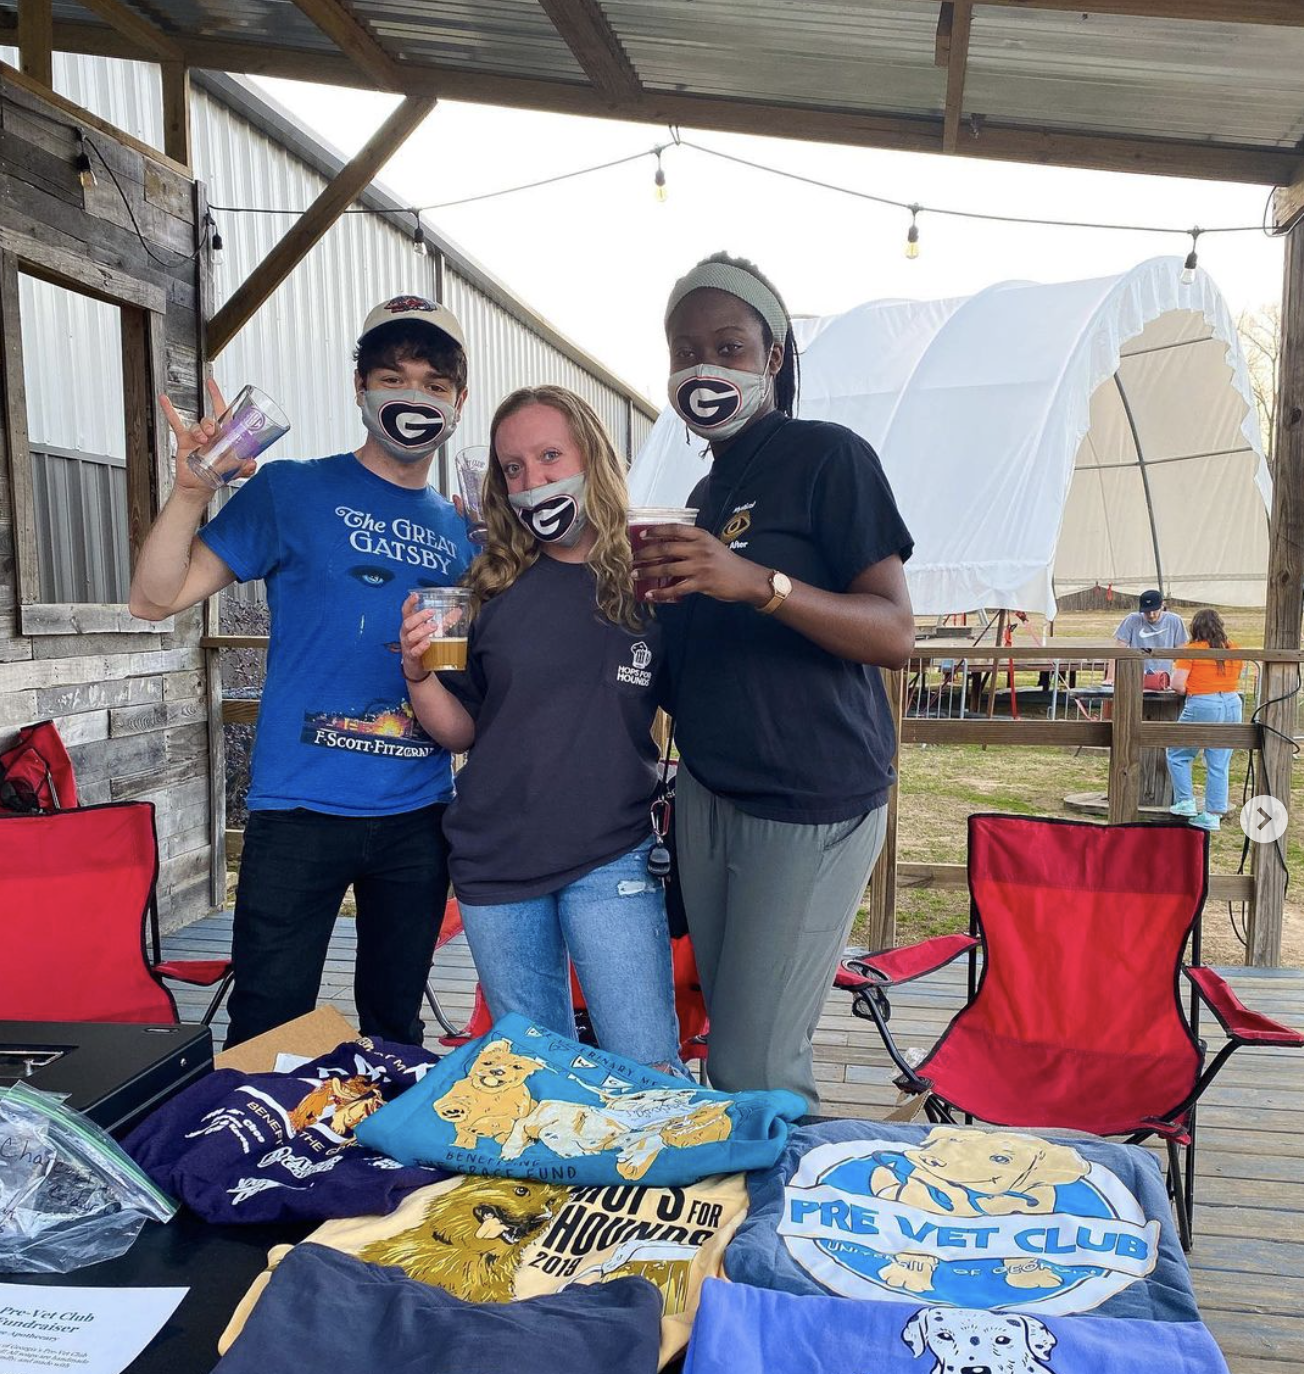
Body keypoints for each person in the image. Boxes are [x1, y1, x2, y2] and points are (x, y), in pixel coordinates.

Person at [129, 296, 475, 1047]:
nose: (411, 396)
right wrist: (193, 489)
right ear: (358, 385)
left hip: (418, 816)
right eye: (392, 376)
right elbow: (154, 597)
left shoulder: (461, 533)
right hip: (296, 811)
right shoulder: (290, 491)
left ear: (458, 402)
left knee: (394, 1028)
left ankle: (381, 1164)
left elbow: (478, 679)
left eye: (433, 382)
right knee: (266, 1026)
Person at [635, 252, 915, 1110]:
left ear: (775, 357)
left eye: (728, 345)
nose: (704, 368)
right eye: (686, 352)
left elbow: (895, 632)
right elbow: (689, 671)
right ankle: (744, 1214)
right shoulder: (702, 494)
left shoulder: (829, 458)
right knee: (730, 1042)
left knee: (757, 1061)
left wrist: (760, 584)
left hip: (813, 799)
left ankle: (784, 1229)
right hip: (713, 794)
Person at [398, 385, 681, 1073]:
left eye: (551, 456)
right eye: (514, 467)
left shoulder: (653, 580)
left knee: (648, 1070)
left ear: (593, 456)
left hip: (611, 856)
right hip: (498, 861)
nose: (533, 481)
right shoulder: (487, 583)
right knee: (538, 1078)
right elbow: (460, 732)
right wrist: (417, 674)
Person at [1167, 607, 1244, 833]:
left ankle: (1185, 801)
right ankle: (1213, 813)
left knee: (1178, 752)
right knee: (1219, 760)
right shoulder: (1233, 648)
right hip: (1232, 702)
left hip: (1204, 702)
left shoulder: (1191, 651)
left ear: (1195, 628)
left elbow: (1178, 685)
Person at [1111, 589, 1187, 683]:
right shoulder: (1132, 620)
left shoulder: (1175, 621)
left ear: (1162, 606)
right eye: (1146, 612)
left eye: (1154, 610)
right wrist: (1111, 678)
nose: (1151, 615)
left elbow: (1182, 652)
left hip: (1164, 678)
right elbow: (1118, 649)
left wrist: (1179, 679)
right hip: (1136, 677)